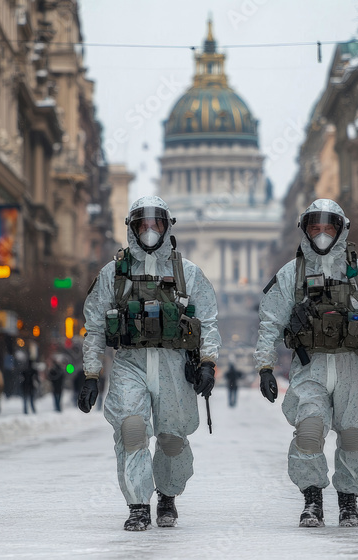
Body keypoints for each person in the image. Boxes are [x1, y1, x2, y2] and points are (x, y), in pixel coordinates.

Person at [255, 199, 358, 528]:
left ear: (340, 230)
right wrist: (264, 366)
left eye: (328, 229)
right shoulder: (292, 275)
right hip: (311, 368)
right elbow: (269, 322)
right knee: (308, 431)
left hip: (353, 367)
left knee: (352, 436)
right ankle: (312, 499)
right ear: (306, 231)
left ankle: (349, 501)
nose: (322, 235)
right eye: (315, 229)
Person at [79, 195, 220, 531]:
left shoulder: (188, 273)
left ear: (166, 226)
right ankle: (139, 504)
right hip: (131, 363)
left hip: (174, 365)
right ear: (133, 228)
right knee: (132, 430)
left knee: (171, 438)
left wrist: (207, 362)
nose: (150, 230)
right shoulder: (114, 274)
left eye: (156, 223)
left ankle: (167, 494)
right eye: (143, 223)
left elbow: (210, 322)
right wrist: (91, 374)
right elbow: (95, 326)